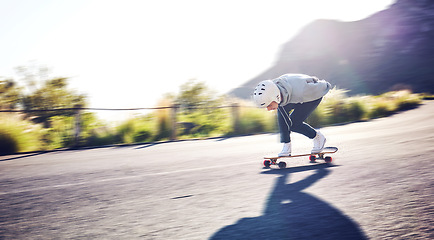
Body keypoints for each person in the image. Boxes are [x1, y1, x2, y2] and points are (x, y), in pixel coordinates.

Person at [253, 73, 332, 157]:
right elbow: (284, 121)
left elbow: (320, 86)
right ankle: (286, 147)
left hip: (311, 95)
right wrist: (286, 143)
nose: (268, 109)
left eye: (269, 105)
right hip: (290, 94)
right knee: (284, 116)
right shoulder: (273, 89)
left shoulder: (301, 92)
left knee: (294, 124)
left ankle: (318, 137)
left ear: (275, 97)